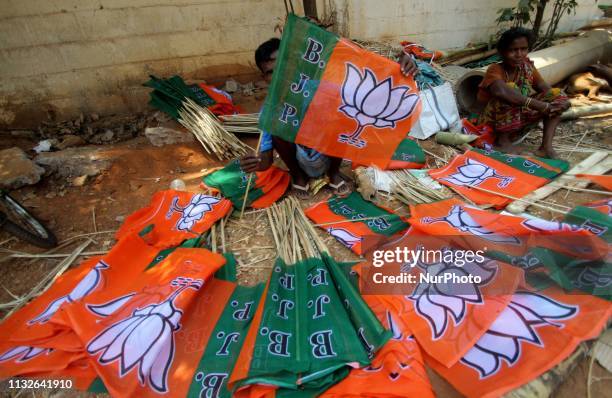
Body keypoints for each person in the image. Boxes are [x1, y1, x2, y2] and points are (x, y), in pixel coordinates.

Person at [240, 38, 418, 198]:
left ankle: (333, 173)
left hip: (327, 152)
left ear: (293, 63)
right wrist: (255, 164)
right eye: (271, 72)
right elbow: (266, 160)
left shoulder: (320, 88)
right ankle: (298, 176)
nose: (279, 74)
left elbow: (366, 96)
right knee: (277, 121)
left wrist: (398, 70)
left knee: (342, 110)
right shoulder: (270, 108)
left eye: (282, 66)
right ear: (265, 78)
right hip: (297, 159)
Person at [477, 27, 570, 159]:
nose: (519, 54)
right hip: (490, 123)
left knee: (557, 95)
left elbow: (543, 87)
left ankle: (546, 147)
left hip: (518, 119)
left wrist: (562, 102)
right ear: (503, 52)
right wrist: (541, 106)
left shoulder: (527, 67)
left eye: (523, 49)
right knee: (510, 90)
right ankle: (502, 142)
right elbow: (500, 91)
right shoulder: (495, 69)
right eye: (513, 50)